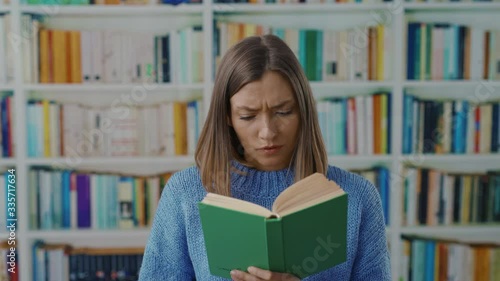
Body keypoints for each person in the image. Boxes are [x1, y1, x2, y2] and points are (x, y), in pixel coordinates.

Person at [138, 34, 391, 281]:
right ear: (227, 116)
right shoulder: (185, 193)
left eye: (283, 111)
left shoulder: (356, 197)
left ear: (303, 111)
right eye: (248, 116)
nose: (268, 132)